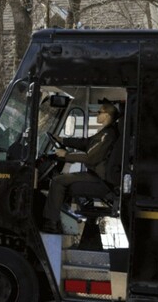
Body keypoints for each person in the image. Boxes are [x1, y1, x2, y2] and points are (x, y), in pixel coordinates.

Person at [42, 99, 120, 234]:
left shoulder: (108, 135)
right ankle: (59, 218)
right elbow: (86, 143)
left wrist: (66, 155)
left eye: (99, 112)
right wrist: (63, 140)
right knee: (62, 179)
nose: (97, 114)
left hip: (99, 179)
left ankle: (51, 224)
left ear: (107, 115)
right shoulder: (105, 132)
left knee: (58, 180)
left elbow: (91, 157)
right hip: (96, 175)